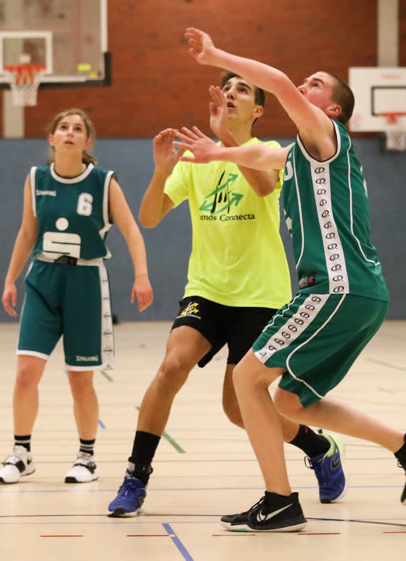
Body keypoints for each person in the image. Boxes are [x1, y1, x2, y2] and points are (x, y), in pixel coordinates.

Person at [175, 27, 406, 533]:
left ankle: (280, 500)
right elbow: (263, 158)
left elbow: (277, 82)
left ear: (332, 109)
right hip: (358, 293)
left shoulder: (325, 133)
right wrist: (218, 150)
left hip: (337, 287)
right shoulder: (302, 152)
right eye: (306, 82)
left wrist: (215, 56)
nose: (303, 85)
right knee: (291, 401)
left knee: (247, 378)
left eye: (314, 84)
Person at [107, 72, 346, 517]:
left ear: (258, 110)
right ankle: (136, 476)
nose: (232, 93)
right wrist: (162, 171)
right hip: (207, 288)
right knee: (171, 367)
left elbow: (264, 186)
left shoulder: (271, 151)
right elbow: (150, 216)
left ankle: (318, 447)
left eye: (243, 90)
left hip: (260, 295)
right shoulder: (195, 160)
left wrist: (225, 139)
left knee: (237, 409)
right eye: (228, 87)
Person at [0, 108, 153, 484]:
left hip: (85, 282)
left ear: (87, 141)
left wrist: (141, 275)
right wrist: (10, 279)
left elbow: (131, 229)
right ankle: (21, 453)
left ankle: (87, 458)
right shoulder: (36, 179)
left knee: (80, 381)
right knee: (25, 372)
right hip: (43, 279)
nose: (69, 132)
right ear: (51, 138)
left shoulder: (103, 181)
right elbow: (27, 232)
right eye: (63, 127)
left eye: (77, 128)